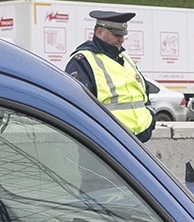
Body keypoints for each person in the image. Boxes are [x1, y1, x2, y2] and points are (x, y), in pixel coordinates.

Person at [66, 10, 156, 142]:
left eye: (123, 35)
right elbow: (78, 104)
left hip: (137, 139)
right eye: (116, 35)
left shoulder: (125, 57)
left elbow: (143, 92)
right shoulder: (83, 60)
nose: (121, 39)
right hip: (106, 141)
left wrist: (150, 116)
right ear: (99, 32)